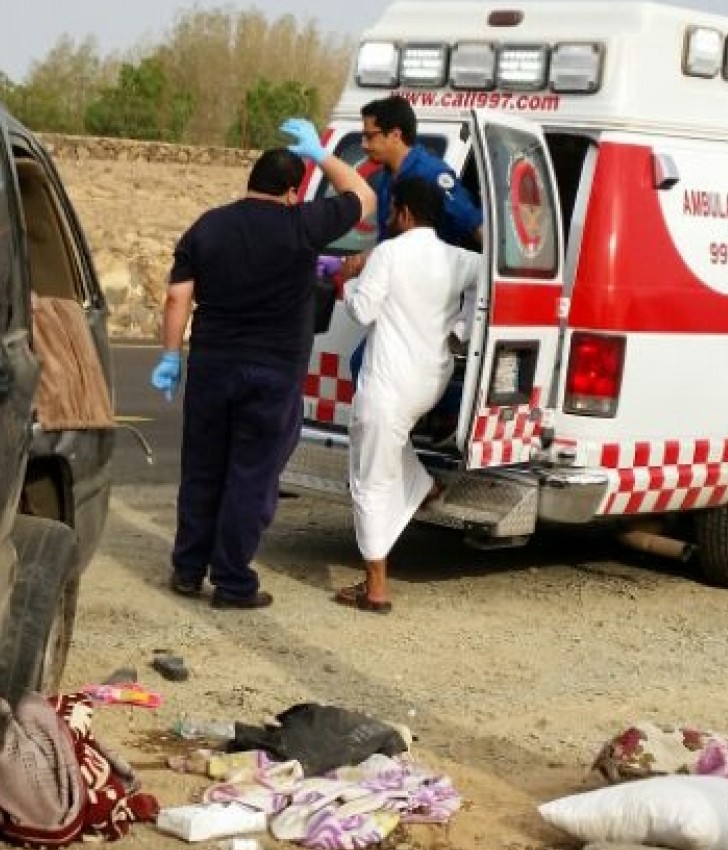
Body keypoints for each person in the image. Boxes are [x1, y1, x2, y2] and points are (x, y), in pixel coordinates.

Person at [150, 119, 376, 610]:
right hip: (273, 375)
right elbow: (363, 195)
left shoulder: (208, 225)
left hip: (212, 368)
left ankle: (188, 570)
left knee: (203, 469)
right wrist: (322, 154)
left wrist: (170, 355)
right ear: (294, 190)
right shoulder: (304, 223)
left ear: (251, 181)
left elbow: (176, 297)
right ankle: (232, 582)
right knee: (251, 476)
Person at [336, 175, 482, 614]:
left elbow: (363, 311)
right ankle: (423, 484)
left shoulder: (389, 253)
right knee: (388, 444)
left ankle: (375, 587)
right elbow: (487, 282)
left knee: (367, 479)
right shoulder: (460, 258)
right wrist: (462, 329)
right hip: (429, 382)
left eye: (390, 207)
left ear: (403, 212)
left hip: (388, 384)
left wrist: (347, 280)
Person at [341, 95, 483, 382]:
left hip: (428, 292)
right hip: (396, 288)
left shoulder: (432, 175)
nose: (364, 145)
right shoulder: (386, 179)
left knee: (382, 371)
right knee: (366, 366)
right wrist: (366, 259)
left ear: (395, 135)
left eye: (370, 136)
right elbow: (391, 238)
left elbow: (475, 225)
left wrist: (500, 279)